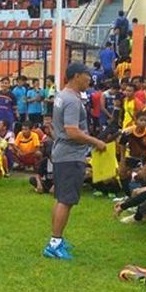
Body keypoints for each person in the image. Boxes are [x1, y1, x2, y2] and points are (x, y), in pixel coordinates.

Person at [43, 63, 107, 260]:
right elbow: (72, 131)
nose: (90, 80)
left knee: (62, 199)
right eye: (87, 76)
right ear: (76, 76)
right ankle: (54, 243)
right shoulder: (71, 100)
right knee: (66, 200)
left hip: (63, 153)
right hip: (70, 155)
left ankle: (57, 240)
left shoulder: (62, 95)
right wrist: (95, 141)